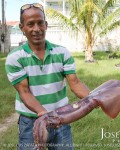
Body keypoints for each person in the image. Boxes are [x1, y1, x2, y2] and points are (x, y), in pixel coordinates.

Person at [5, 3, 90, 150]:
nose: (36, 29)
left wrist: (95, 98)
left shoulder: (62, 53)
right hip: (31, 122)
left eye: (40, 23)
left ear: (46, 25)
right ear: (22, 28)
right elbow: (24, 92)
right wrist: (44, 115)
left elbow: (75, 83)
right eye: (30, 24)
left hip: (61, 119)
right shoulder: (15, 58)